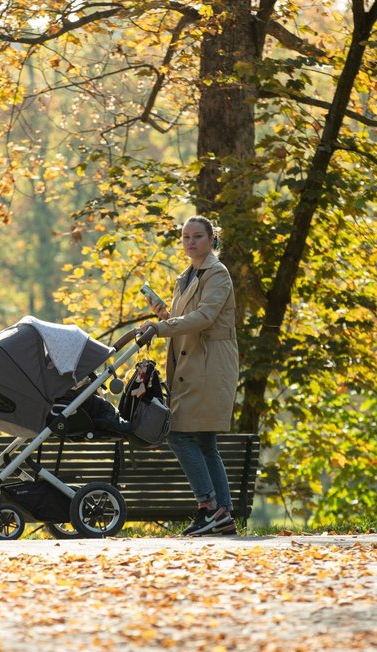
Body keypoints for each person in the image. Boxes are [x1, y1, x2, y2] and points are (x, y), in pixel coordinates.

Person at [140, 215, 239, 536]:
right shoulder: (185, 277)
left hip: (210, 365)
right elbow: (184, 320)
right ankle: (222, 514)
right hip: (192, 366)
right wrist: (164, 316)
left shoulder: (218, 274)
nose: (191, 242)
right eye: (186, 237)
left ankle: (207, 506)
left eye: (197, 236)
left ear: (212, 239)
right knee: (205, 441)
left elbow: (205, 317)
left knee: (178, 433)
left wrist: (161, 327)